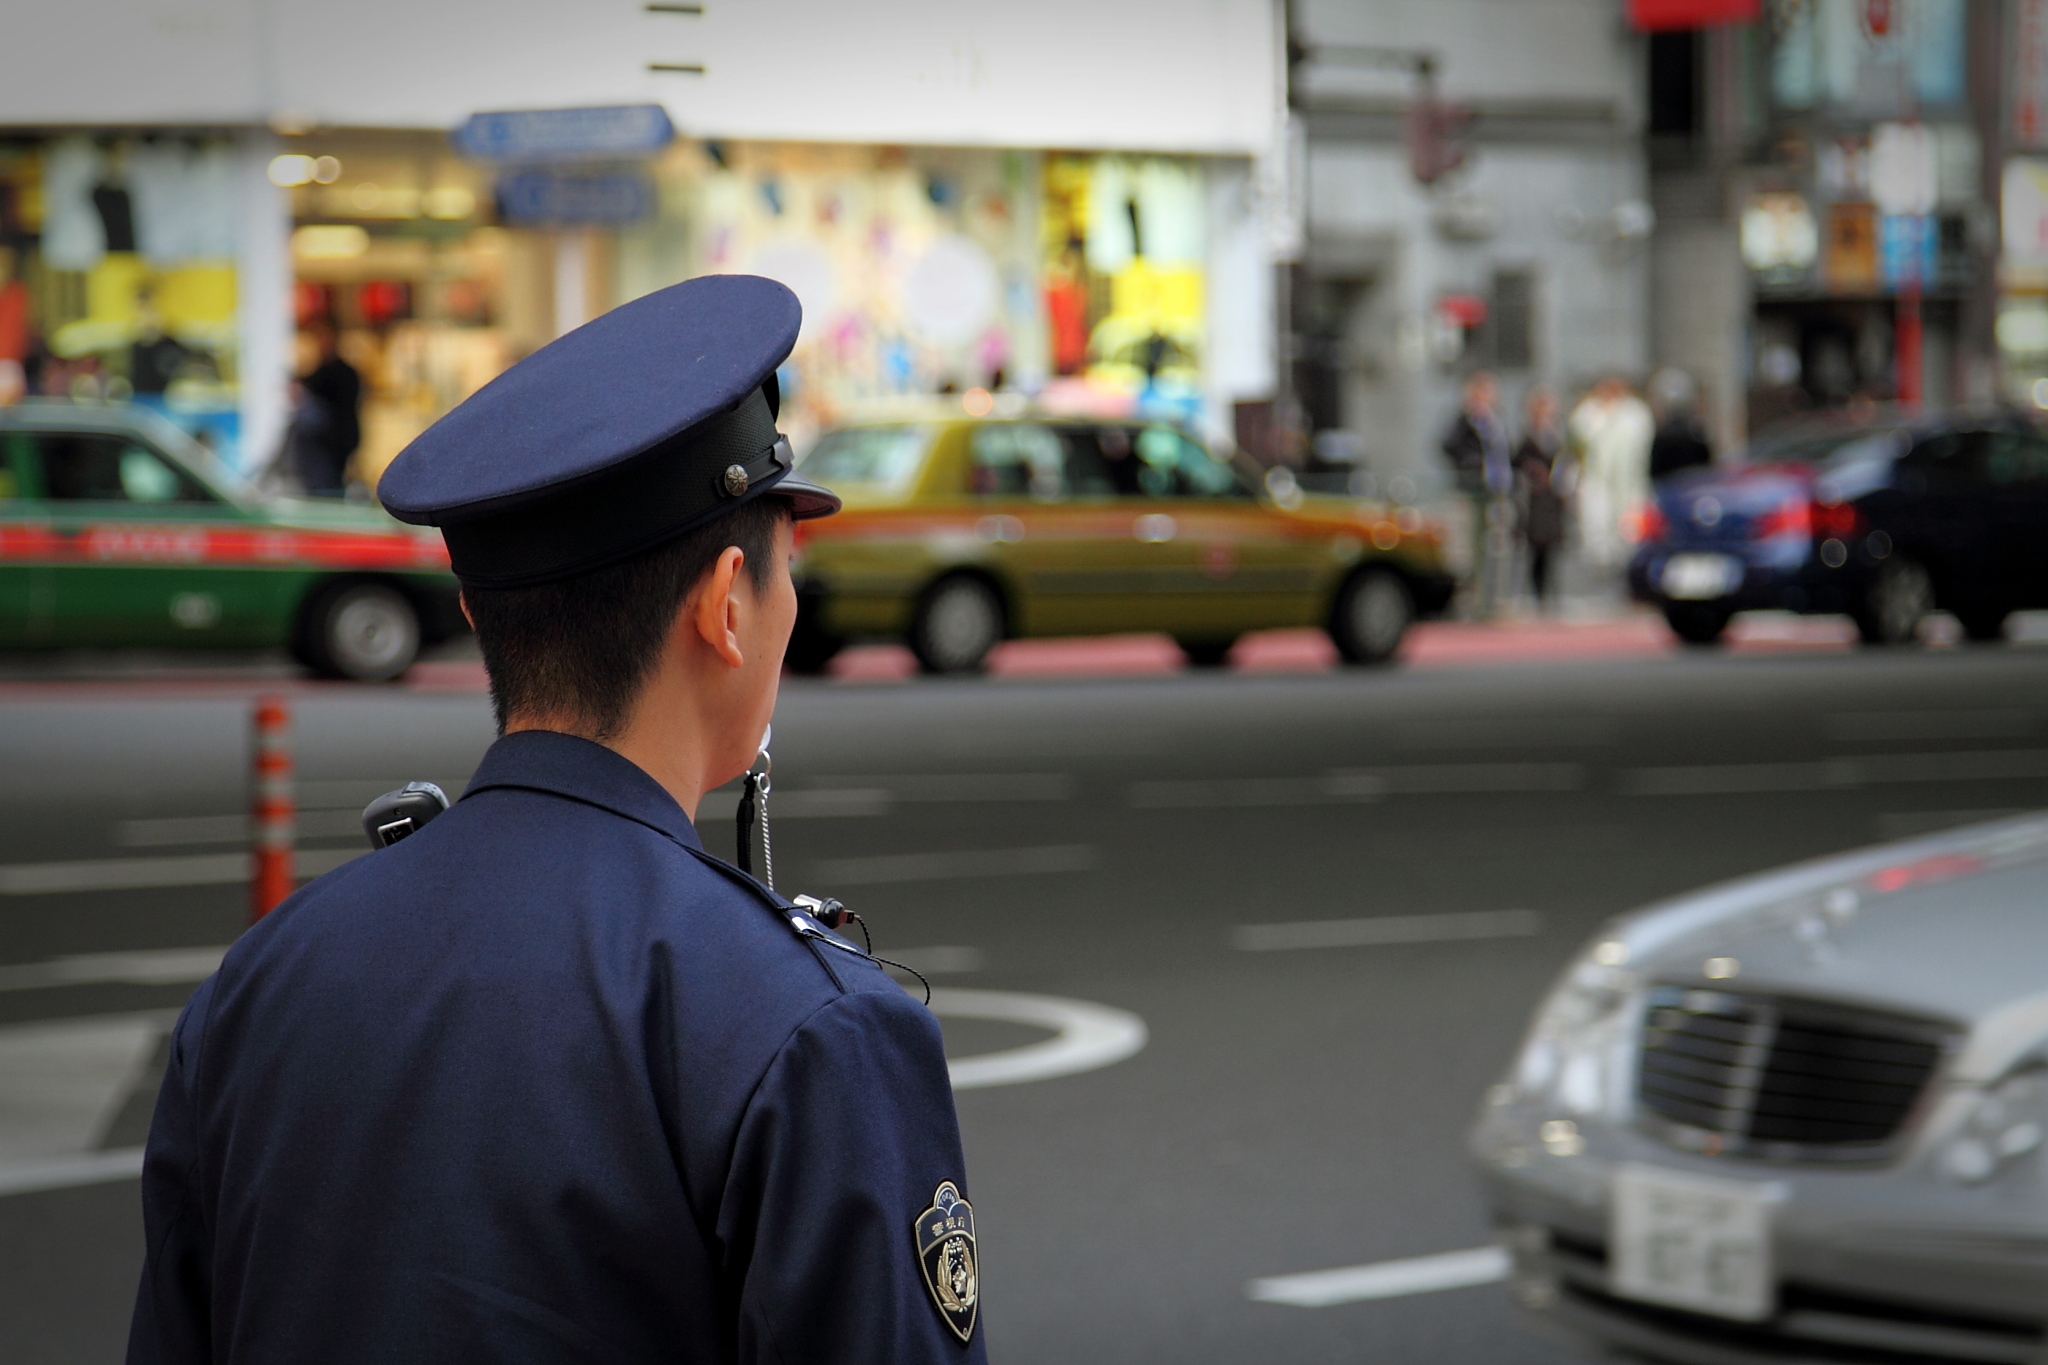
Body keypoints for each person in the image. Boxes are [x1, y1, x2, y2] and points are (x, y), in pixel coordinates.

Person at [126, 276, 988, 1365]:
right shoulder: (806, 1026)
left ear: (481, 613)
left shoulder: (261, 984)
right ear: (728, 603)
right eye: (784, 581)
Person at [1439, 371, 1513, 616]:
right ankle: (1468, 604)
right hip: (1471, 492)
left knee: (1493, 548)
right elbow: (1447, 445)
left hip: (1494, 492)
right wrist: (1472, 464)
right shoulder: (1464, 421)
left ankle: (1490, 602)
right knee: (1466, 550)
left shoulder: (1494, 421)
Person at [1568, 375, 1653, 571]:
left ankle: (1630, 557)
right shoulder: (1590, 411)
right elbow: (1581, 439)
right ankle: (1601, 558)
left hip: (1629, 479)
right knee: (1598, 518)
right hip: (1598, 478)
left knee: (1629, 518)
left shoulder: (1634, 412)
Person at [288, 317, 362, 496]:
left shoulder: (338, 373)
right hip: (334, 442)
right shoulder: (332, 372)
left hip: (333, 443)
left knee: (328, 490)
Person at [1514, 387, 1567, 610]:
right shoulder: (1528, 438)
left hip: (1552, 500)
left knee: (1551, 549)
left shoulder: (1556, 437)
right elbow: (1518, 463)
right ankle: (1537, 593)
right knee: (1535, 547)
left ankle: (1550, 593)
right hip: (1535, 502)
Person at [1647, 367, 1713, 481]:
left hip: (1670, 486)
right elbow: (1707, 462)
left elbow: (1654, 467)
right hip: (1693, 484)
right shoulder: (1695, 430)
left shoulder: (1663, 433)